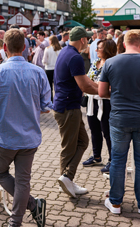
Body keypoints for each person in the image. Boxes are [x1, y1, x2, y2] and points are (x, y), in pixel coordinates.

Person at [0, 29, 51, 227]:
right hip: (29, 137)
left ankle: (29, 208)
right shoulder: (38, 72)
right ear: (25, 47)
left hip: (5, 136)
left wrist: (2, 107)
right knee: (23, 181)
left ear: (4, 48)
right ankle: (17, 220)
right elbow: (46, 106)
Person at [99, 30, 140, 215]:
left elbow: (101, 92)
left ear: (123, 44)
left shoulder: (111, 62)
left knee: (118, 160)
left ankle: (115, 204)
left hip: (119, 118)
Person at [53, 26, 98, 198]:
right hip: (68, 108)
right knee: (69, 147)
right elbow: (85, 86)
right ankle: (66, 178)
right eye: (87, 38)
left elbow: (86, 80)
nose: (88, 41)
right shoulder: (75, 57)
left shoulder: (66, 52)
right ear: (82, 40)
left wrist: (100, 86)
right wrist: (106, 92)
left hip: (66, 106)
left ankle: (66, 179)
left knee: (82, 142)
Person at [83, 39, 117, 174]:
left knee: (107, 132)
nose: (96, 50)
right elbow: (87, 79)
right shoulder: (94, 63)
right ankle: (96, 155)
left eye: (99, 48)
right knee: (94, 129)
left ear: (108, 49)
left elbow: (109, 85)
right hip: (92, 100)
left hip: (106, 101)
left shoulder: (112, 64)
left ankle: (112, 160)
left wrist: (95, 85)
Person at [42, 35, 61, 101]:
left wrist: (44, 63)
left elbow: (44, 61)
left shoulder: (47, 49)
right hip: (57, 69)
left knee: (49, 86)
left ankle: (50, 100)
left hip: (49, 69)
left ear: (51, 41)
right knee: (57, 85)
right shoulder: (60, 49)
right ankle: (57, 99)